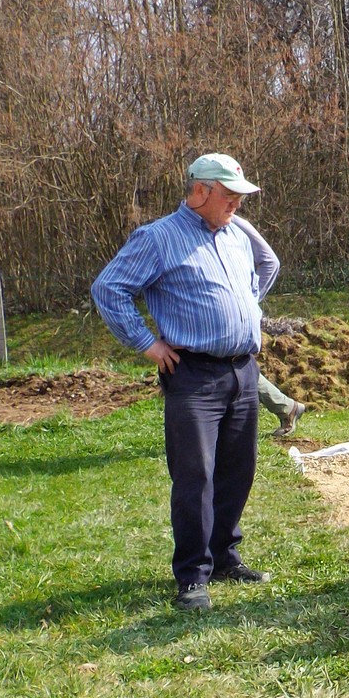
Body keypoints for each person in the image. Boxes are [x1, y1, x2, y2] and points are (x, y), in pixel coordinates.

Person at [92, 153, 275, 611]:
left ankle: (225, 557)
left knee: (239, 470)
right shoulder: (157, 238)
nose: (236, 204)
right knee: (196, 476)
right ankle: (193, 576)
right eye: (229, 196)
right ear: (199, 192)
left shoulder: (236, 233)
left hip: (242, 371)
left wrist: (245, 309)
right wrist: (147, 344)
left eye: (239, 196)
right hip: (193, 375)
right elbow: (108, 288)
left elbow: (268, 265)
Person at [233, 214, 307, 438]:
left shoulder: (234, 224)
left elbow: (270, 262)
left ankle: (286, 407)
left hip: (239, 312)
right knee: (236, 365)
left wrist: (248, 301)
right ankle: (286, 407)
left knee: (237, 365)